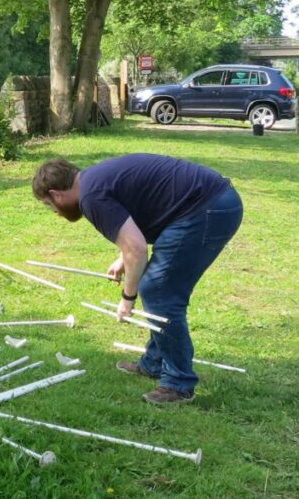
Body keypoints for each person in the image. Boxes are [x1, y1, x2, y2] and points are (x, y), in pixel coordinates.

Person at [32, 154, 243, 405]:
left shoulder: (91, 197)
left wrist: (127, 298)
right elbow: (136, 217)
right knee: (157, 287)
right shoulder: (93, 179)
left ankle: (179, 383)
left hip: (208, 208)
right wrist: (123, 258)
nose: (55, 212)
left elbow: (137, 249)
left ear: (56, 194)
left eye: (49, 205)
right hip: (209, 202)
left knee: (159, 290)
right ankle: (154, 362)